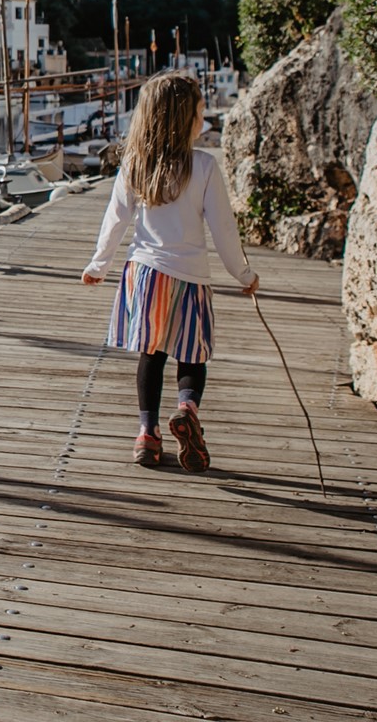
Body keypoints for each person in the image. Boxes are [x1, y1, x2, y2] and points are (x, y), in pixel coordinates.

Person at [81, 71, 258, 471]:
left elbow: (115, 220)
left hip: (145, 275)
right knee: (193, 355)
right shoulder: (205, 167)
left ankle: (147, 433)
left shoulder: (134, 164)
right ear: (185, 119)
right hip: (192, 277)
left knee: (152, 354)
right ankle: (188, 410)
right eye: (199, 112)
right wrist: (243, 274)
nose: (203, 119)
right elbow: (224, 230)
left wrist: (98, 265)